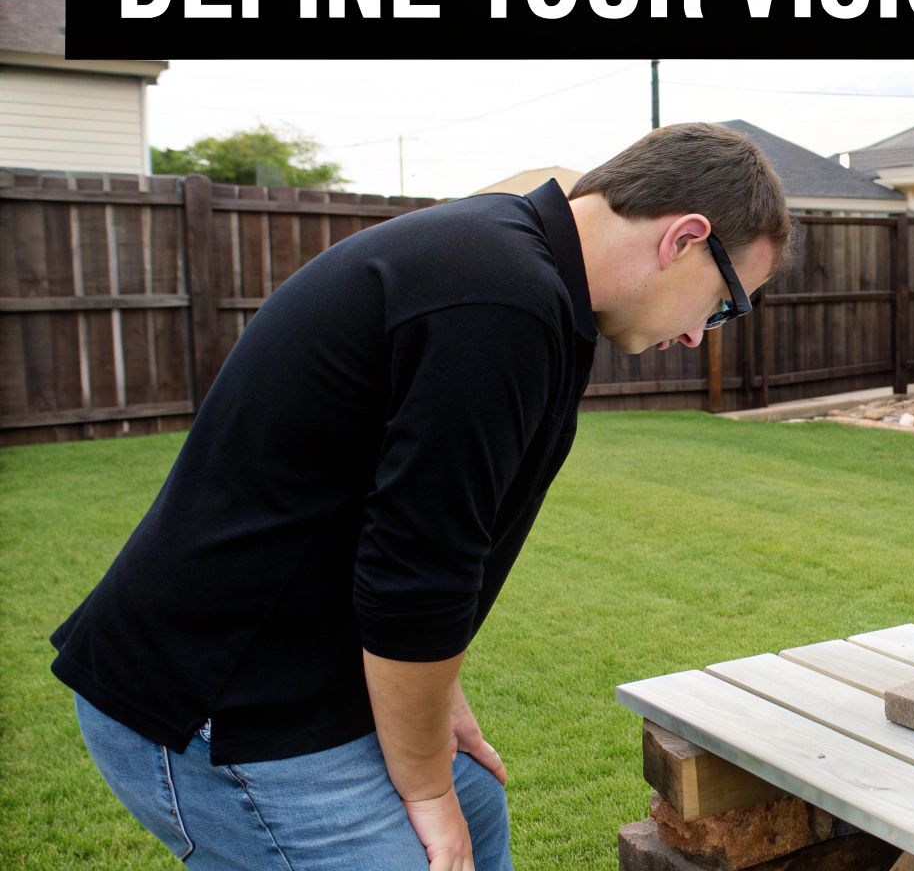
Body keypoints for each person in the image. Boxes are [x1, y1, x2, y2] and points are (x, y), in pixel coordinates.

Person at [50, 123, 793, 871]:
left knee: (477, 803)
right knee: (442, 827)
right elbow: (418, 570)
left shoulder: (518, 270)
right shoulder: (501, 301)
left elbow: (405, 518)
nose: (700, 336)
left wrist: (437, 711)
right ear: (684, 239)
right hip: (221, 700)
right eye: (725, 303)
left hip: (305, 673)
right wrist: (426, 786)